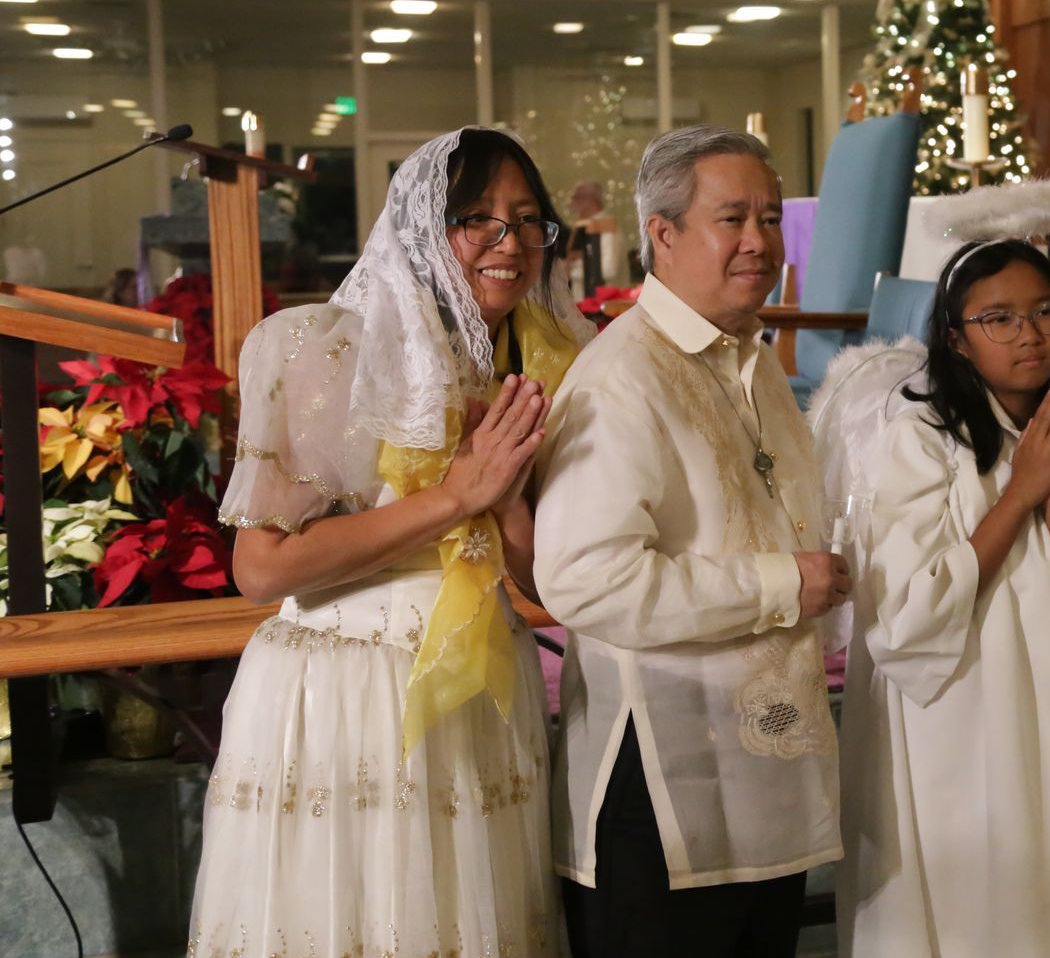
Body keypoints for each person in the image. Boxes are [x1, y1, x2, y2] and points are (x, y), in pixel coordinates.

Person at [191, 127, 591, 958]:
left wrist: (504, 499)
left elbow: (545, 587)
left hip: (481, 686)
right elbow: (262, 569)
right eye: (477, 219)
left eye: (527, 221)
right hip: (349, 688)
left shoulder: (541, 360)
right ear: (418, 227)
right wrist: (454, 497)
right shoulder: (326, 347)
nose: (509, 243)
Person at [534, 125, 846, 958]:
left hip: (763, 776)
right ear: (662, 235)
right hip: (660, 783)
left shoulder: (753, 360)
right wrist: (783, 584)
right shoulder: (621, 377)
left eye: (771, 219)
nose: (759, 242)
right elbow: (585, 579)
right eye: (732, 218)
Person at [837, 239, 1050, 957]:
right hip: (956, 708)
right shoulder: (918, 438)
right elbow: (908, 616)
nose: (1030, 334)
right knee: (969, 905)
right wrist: (1019, 494)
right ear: (955, 338)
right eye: (1000, 319)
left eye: (1045, 312)